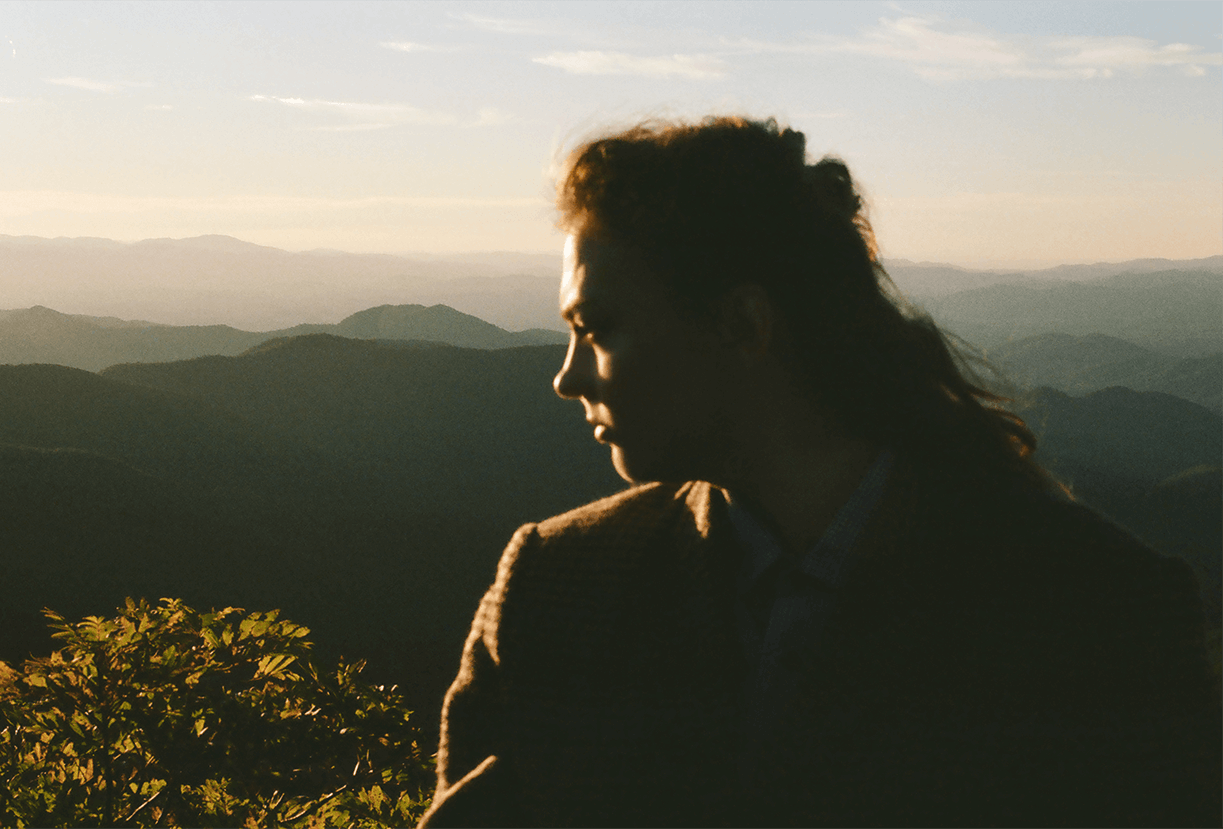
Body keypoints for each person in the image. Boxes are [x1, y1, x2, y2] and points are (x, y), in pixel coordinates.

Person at [417, 117, 1221, 827]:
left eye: (596, 328)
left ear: (742, 324)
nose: (567, 376)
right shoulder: (552, 589)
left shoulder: (1095, 613)